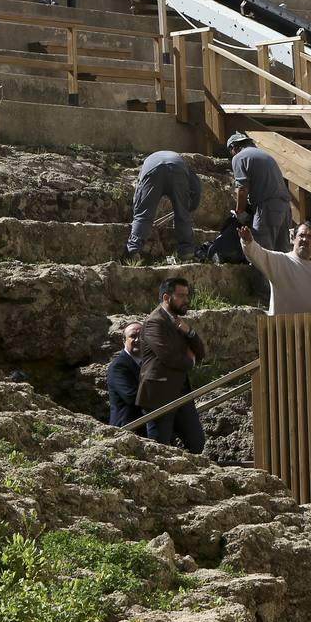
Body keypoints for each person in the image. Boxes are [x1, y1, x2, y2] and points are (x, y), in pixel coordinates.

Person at [135, 278, 205, 454]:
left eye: (186, 295)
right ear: (166, 297)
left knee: (197, 442)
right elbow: (169, 357)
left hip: (181, 392)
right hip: (160, 395)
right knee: (161, 448)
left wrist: (189, 332)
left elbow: (201, 352)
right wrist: (191, 361)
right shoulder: (154, 322)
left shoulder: (178, 322)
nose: (186, 300)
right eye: (181, 296)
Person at [239, 221, 311, 315]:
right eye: (301, 235)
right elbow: (258, 254)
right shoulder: (280, 261)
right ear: (294, 238)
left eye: (309, 237)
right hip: (282, 328)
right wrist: (248, 242)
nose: (304, 239)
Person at [126, 151, 202, 261]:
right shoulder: (181, 161)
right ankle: (187, 252)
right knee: (182, 215)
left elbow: (139, 194)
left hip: (152, 170)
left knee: (143, 215)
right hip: (177, 170)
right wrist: (190, 207)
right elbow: (197, 187)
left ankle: (133, 251)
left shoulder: (147, 162)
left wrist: (138, 212)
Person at [227, 133, 292, 253]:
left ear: (233, 147)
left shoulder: (239, 157)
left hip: (267, 208)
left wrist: (240, 213)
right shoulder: (265, 155)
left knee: (263, 254)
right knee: (282, 256)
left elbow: (242, 189)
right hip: (285, 207)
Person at [106, 322, 144, 430]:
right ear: (124, 341)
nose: (137, 340)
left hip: (147, 427)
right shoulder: (118, 366)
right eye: (132, 336)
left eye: (141, 336)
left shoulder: (149, 363)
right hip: (127, 430)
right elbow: (132, 397)